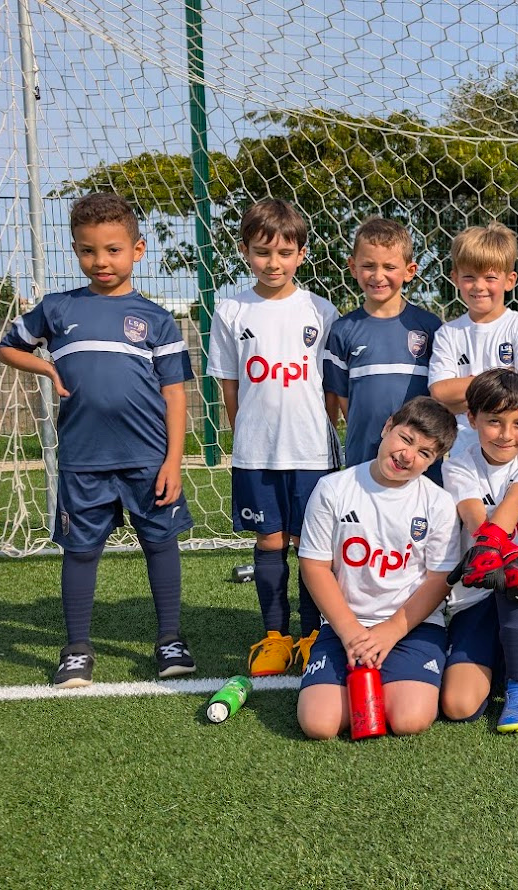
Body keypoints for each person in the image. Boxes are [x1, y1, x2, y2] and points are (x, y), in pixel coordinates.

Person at [0, 192, 196, 687]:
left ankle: (170, 639)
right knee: (81, 551)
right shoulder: (57, 308)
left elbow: (175, 395)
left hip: (148, 458)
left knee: (160, 543)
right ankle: (77, 648)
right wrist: (46, 367)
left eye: (112, 249)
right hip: (83, 459)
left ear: (137, 250)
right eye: (88, 250)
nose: (100, 261)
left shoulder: (156, 319)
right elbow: (7, 347)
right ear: (75, 250)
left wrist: (173, 461)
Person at [206, 198, 341, 676]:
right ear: (245, 251)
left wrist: (323, 429)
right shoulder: (231, 310)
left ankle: (311, 633)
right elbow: (229, 385)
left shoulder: (321, 311)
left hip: (311, 452)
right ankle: (274, 636)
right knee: (270, 540)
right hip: (257, 452)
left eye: (285, 253)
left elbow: (329, 387)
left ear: (302, 254)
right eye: (262, 252)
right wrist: (244, 435)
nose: (273, 262)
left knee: (310, 543)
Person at [294, 397, 460, 740]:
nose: (407, 456)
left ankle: (404, 670)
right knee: (319, 725)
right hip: (345, 624)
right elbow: (314, 566)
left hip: (412, 626)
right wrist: (351, 633)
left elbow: (439, 579)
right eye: (406, 439)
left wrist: (391, 631)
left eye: (424, 453)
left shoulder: (438, 503)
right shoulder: (333, 489)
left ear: (434, 461)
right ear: (387, 427)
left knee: (409, 720)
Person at [437, 370, 518, 731]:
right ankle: (509, 650)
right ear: (472, 419)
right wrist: (487, 546)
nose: (506, 434)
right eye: (494, 422)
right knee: (459, 705)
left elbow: (517, 499)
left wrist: (491, 547)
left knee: (516, 577)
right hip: (477, 590)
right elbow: (473, 514)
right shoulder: (458, 464)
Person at [322, 217, 443, 479]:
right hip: (363, 458)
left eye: (389, 266)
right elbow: (343, 401)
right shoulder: (342, 330)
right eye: (368, 266)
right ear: (353, 267)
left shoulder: (430, 327)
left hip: (420, 464)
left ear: (410, 271)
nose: (378, 276)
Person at [427, 224, 518, 460]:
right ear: (455, 278)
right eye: (469, 277)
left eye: (490, 277)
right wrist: (501, 379)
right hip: (466, 454)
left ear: (509, 280)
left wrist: (465, 395)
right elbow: (439, 394)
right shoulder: (448, 333)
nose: (479, 286)